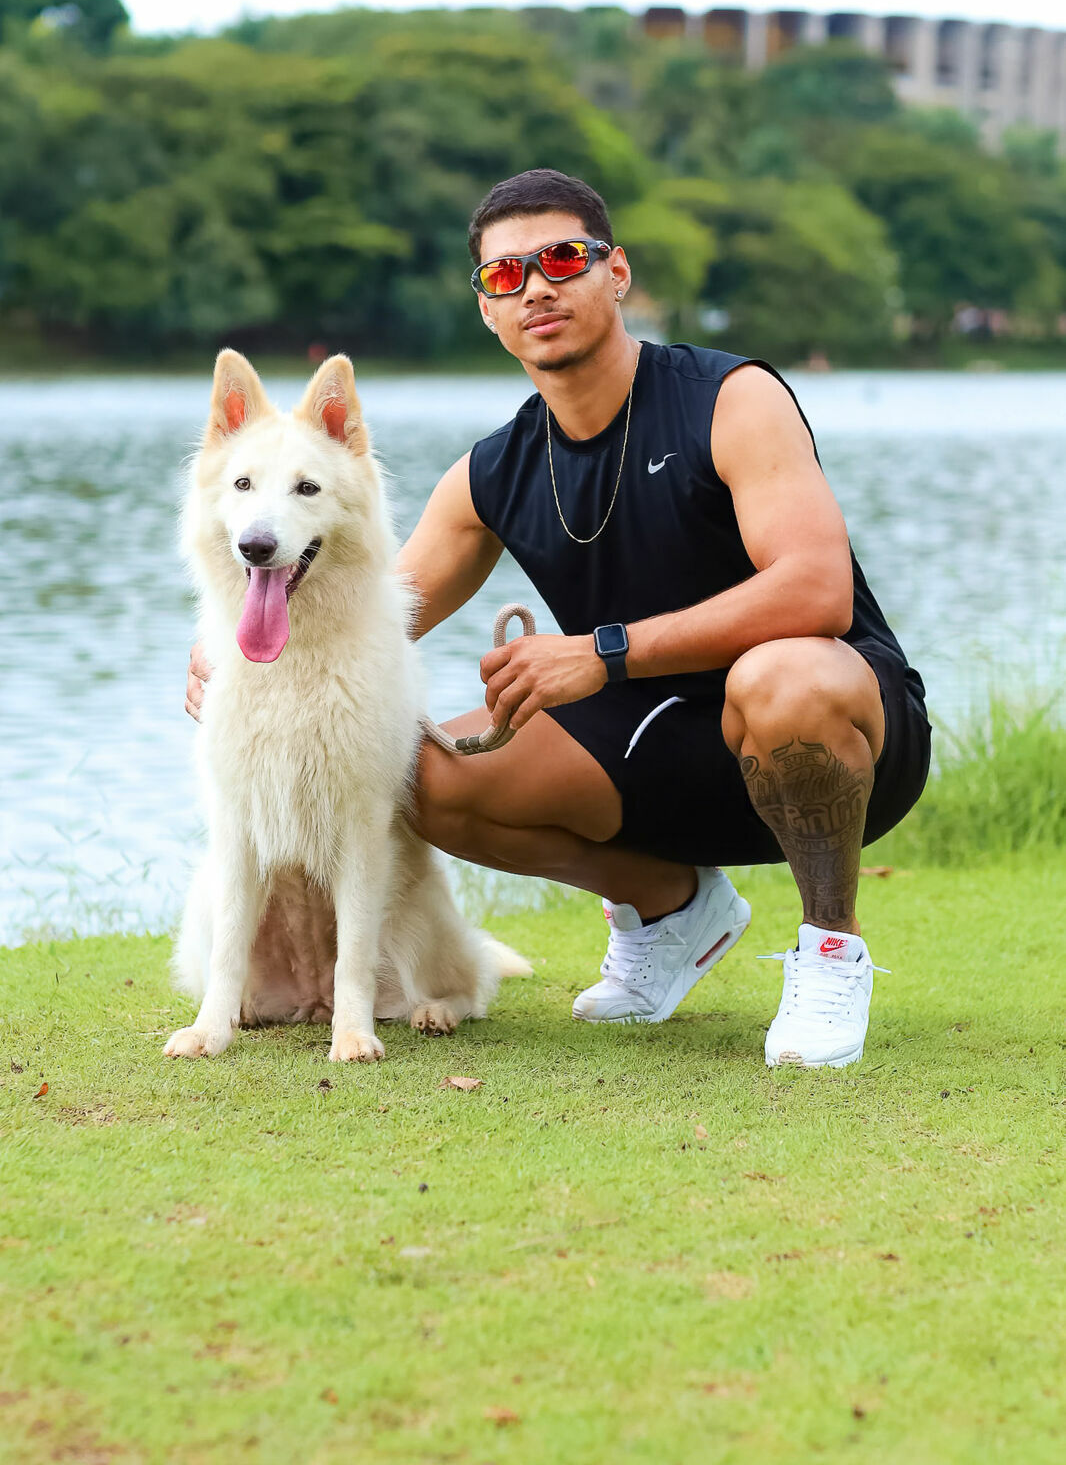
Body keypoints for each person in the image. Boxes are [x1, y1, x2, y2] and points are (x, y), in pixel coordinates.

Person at [186, 168, 930, 1068]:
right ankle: (670, 908)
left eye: (562, 259)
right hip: (651, 736)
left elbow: (817, 593)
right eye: (505, 276)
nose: (535, 286)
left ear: (615, 273)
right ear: (489, 313)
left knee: (781, 676)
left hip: (838, 730)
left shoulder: (731, 399)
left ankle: (830, 951)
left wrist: (602, 653)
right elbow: (365, 608)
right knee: (421, 772)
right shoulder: (492, 471)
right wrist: (234, 642)